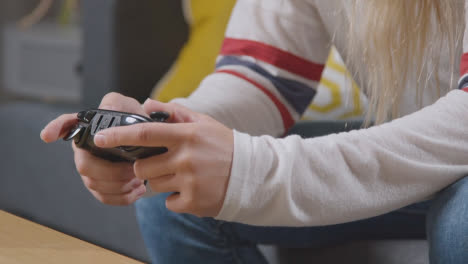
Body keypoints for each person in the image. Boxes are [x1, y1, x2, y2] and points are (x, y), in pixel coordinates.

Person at [41, 1, 468, 263]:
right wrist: (170, 132)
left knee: (462, 219)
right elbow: (263, 78)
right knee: (179, 191)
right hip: (424, 161)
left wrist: (252, 172)